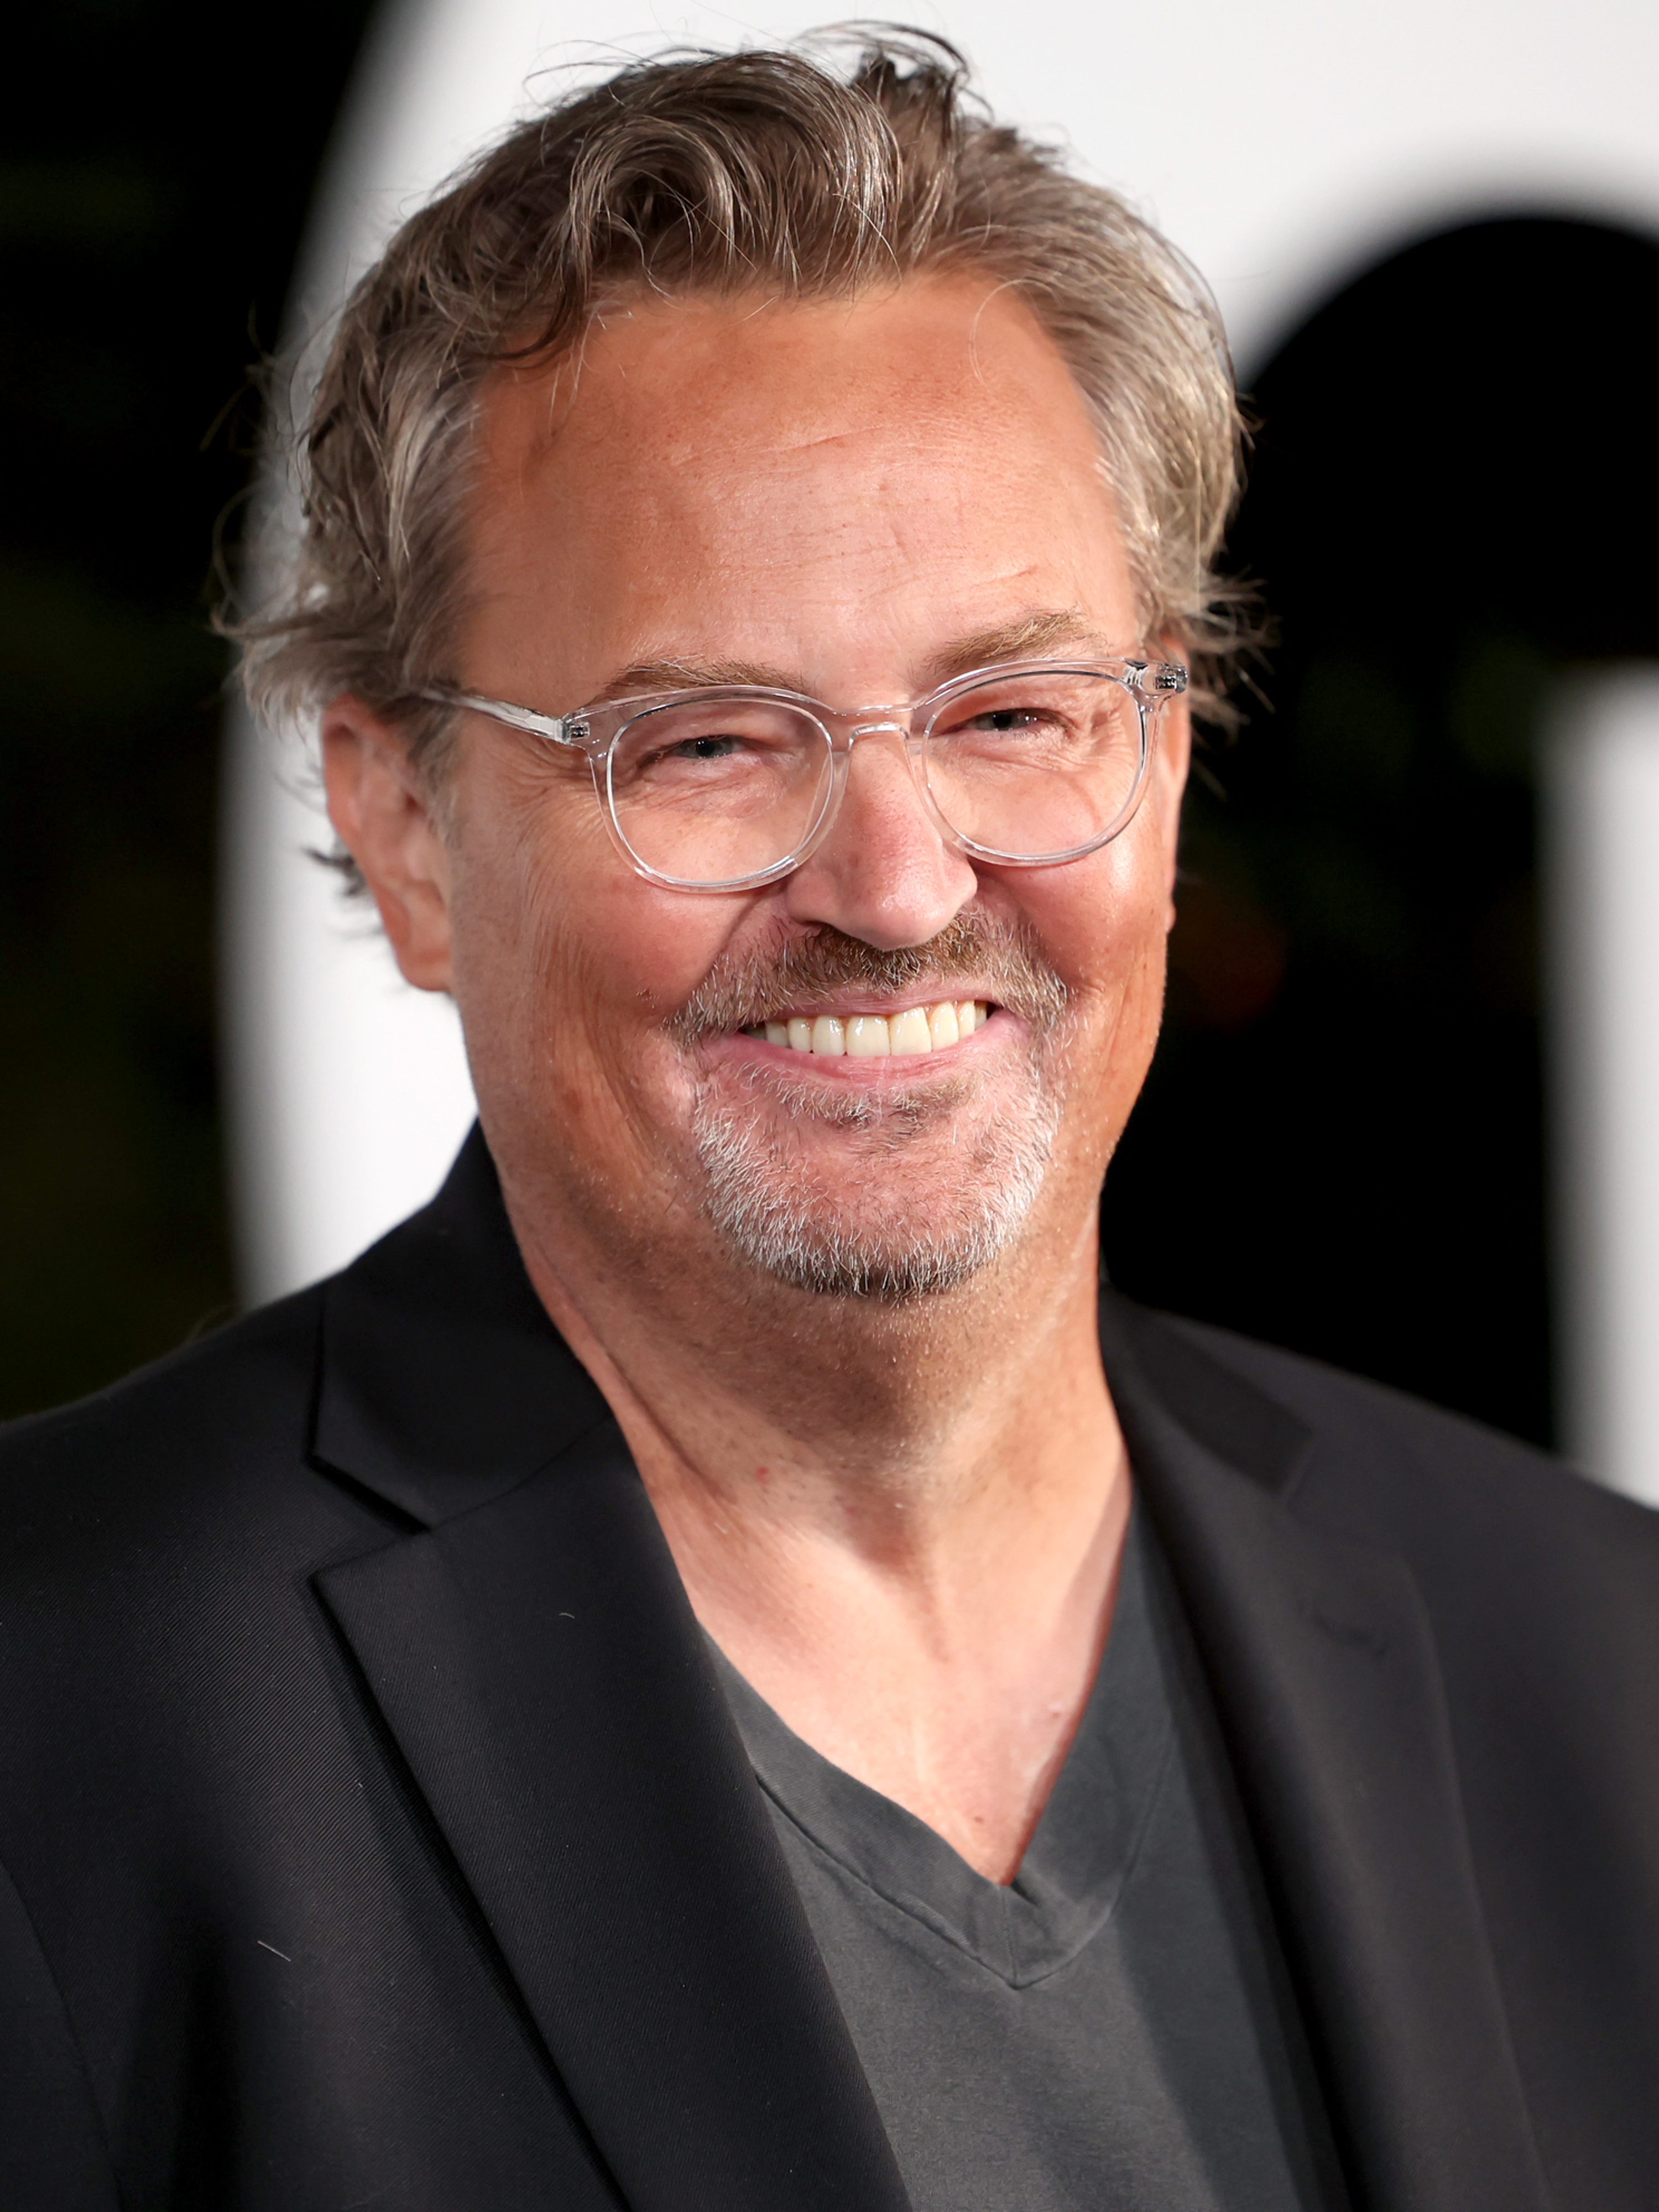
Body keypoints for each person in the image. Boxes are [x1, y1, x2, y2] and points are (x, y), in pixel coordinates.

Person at [1, 30, 1655, 2212]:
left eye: (1011, 711)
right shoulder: (58, 1717)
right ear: (401, 824)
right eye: (702, 746)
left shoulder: (1595, 1663)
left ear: (1164, 761)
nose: (893, 885)